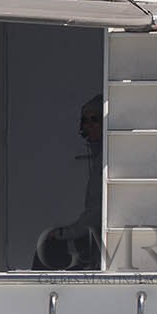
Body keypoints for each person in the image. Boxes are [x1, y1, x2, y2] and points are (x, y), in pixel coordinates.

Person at [34, 96, 103, 270]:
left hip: (101, 242)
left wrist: (65, 233)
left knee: (46, 251)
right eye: (85, 121)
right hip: (95, 237)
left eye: (95, 119)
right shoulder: (99, 158)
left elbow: (97, 212)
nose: (90, 125)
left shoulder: (106, 161)